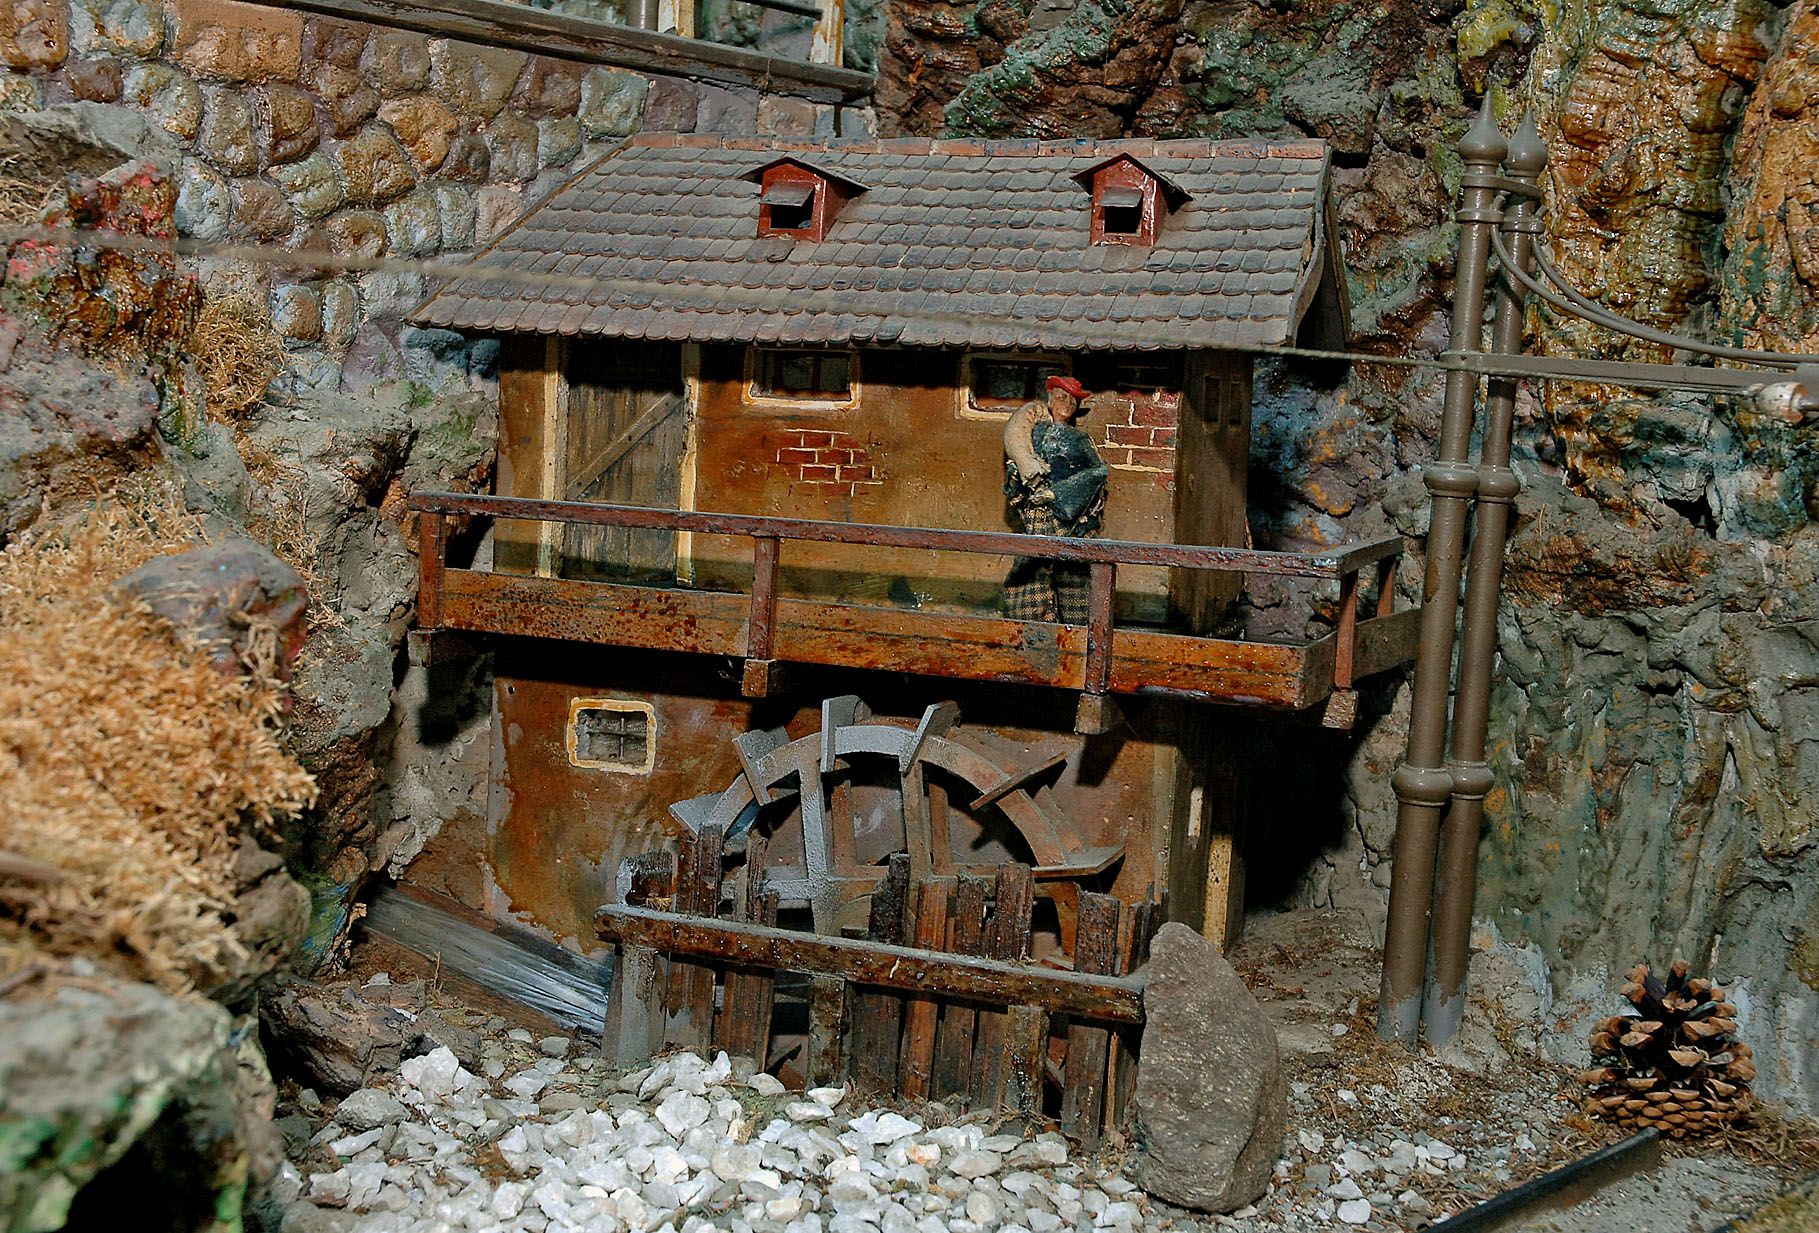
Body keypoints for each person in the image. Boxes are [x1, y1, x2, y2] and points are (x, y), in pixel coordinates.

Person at [1002, 374, 1109, 623]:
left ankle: (1079, 628)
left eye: (1073, 402)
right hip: (1037, 512)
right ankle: (1029, 624)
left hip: (1073, 516)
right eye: (1061, 397)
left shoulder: (1080, 440)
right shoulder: (1035, 431)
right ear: (1049, 398)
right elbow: (1017, 461)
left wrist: (1060, 494)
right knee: (1033, 565)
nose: (1066, 405)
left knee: (1075, 571)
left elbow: (1097, 474)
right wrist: (1023, 486)